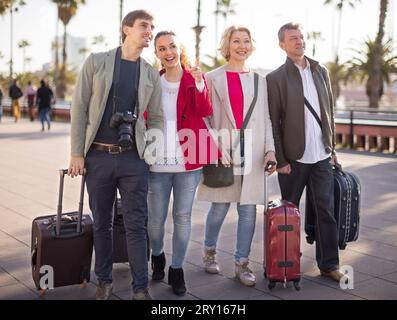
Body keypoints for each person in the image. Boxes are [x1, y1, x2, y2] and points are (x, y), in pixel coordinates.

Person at [68, 10, 164, 300]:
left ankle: (140, 288)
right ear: (126, 29)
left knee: (136, 224)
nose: (149, 32)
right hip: (97, 157)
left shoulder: (149, 72)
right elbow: (79, 107)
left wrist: (150, 153)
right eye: (144, 26)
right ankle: (105, 281)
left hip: (134, 159)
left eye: (152, 28)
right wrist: (76, 153)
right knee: (102, 223)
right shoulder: (97, 62)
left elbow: (157, 118)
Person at [197, 25, 277, 287]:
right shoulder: (212, 77)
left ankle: (242, 263)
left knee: (248, 210)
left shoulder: (259, 80)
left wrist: (270, 150)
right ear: (227, 45)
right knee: (219, 207)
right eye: (236, 41)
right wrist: (216, 149)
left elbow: (265, 117)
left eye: (246, 41)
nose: (241, 46)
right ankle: (209, 251)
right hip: (224, 153)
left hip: (253, 153)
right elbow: (204, 118)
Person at [266, 22, 344, 282]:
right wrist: (281, 160)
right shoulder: (275, 78)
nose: (299, 41)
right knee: (288, 213)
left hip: (321, 156)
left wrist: (331, 148)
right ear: (282, 45)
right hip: (293, 159)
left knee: (327, 211)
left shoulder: (320, 70)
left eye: (301, 37)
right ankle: (284, 265)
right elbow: (273, 121)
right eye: (293, 38)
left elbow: (329, 112)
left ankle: (329, 264)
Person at [148, 31, 219, 295]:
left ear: (180, 49)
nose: (168, 52)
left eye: (172, 47)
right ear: (156, 53)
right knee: (155, 221)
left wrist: (200, 85)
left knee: (182, 217)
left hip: (188, 163)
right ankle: (157, 255)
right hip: (157, 164)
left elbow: (205, 111)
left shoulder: (193, 78)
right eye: (162, 48)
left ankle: (176, 269)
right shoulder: (152, 81)